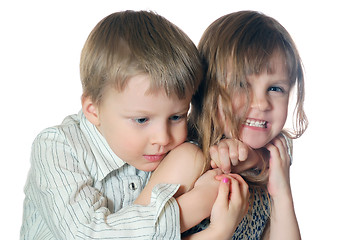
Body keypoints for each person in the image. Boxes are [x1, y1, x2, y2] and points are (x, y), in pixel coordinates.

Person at [20, 10, 230, 239]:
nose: (162, 137)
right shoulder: (58, 148)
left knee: (192, 155)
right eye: (141, 120)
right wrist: (194, 207)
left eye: (177, 116)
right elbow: (87, 234)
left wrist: (238, 154)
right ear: (94, 110)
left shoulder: (177, 146)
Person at [139, 10, 308, 239]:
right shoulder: (190, 160)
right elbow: (135, 235)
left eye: (276, 88)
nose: (261, 103)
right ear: (207, 90)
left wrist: (281, 193)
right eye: (241, 84)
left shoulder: (272, 158)